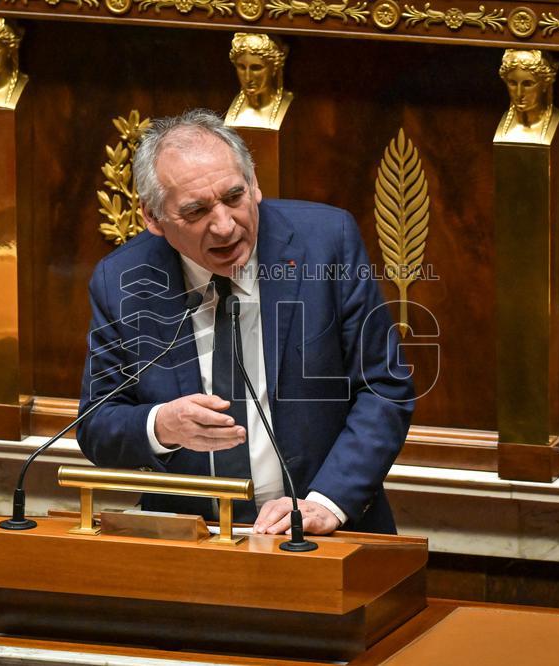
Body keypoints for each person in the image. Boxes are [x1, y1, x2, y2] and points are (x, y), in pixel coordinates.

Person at [76, 110, 414, 535]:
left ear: (253, 183)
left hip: (319, 531)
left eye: (234, 197)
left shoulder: (326, 242)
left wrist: (328, 502)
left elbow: (384, 387)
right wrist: (160, 425)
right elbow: (96, 423)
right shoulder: (122, 281)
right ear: (152, 217)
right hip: (188, 540)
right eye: (196, 211)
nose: (224, 226)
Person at [225, 33, 294, 130]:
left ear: (274, 68)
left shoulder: (287, 103)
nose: (248, 78)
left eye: (256, 68)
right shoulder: (234, 110)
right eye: (241, 67)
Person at [496, 49, 559, 144]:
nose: (519, 93)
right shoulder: (497, 125)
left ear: (545, 84)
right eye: (512, 83)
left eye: (528, 84)